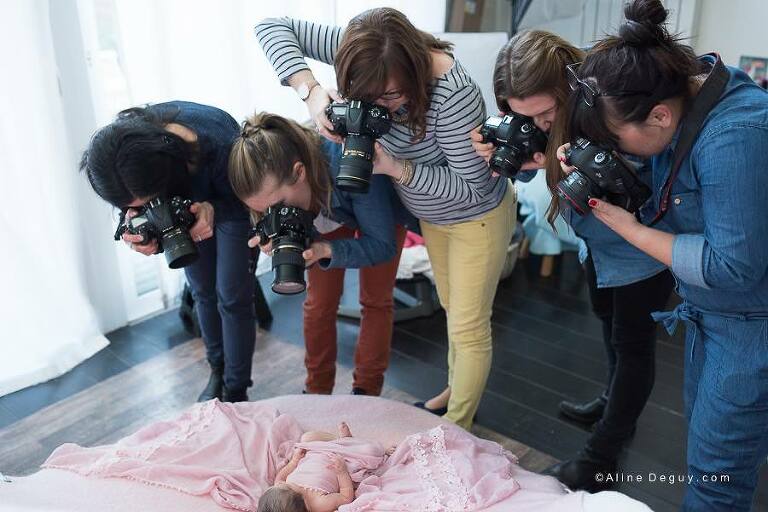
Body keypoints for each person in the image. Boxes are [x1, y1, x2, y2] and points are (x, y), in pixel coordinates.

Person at [255, 7, 515, 430]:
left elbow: (476, 189)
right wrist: (312, 92)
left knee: (468, 326)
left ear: (413, 73)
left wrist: (397, 168)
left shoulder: (454, 96)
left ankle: (457, 429)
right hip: (431, 216)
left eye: (390, 97)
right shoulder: (371, 53)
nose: (381, 109)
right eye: (366, 97)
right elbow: (271, 24)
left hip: (474, 217)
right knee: (453, 309)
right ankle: (456, 389)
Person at [560, 0, 768, 508]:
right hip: (713, 316)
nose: (615, 146)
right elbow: (680, 199)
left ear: (658, 114)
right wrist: (608, 167)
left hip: (750, 321)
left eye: (616, 138)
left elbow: (732, 265)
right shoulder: (691, 98)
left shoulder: (734, 136)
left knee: (715, 479)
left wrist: (626, 228)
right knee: (710, 457)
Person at [471, 30, 673, 491]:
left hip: (641, 247)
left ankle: (600, 457)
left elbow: (639, 179)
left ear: (571, 86)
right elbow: (556, 167)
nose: (540, 123)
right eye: (526, 117)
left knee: (633, 345)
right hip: (596, 240)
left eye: (547, 112)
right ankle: (612, 399)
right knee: (608, 323)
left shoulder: (612, 107)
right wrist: (520, 157)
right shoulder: (543, 122)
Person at [81, 101, 255, 402]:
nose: (137, 206)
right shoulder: (117, 165)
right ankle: (217, 371)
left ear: (162, 173)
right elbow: (133, 210)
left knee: (232, 295)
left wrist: (213, 208)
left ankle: (236, 388)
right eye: (129, 204)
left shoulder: (214, 142)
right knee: (202, 290)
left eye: (145, 200)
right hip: (188, 201)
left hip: (235, 200)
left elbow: (251, 199)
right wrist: (137, 229)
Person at [229, 112, 411, 396]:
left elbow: (381, 245)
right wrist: (272, 234)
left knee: (376, 300)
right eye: (264, 210)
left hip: (374, 203)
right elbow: (274, 207)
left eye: (276, 206)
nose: (273, 214)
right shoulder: (273, 174)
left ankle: (366, 392)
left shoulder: (349, 158)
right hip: (326, 209)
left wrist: (325, 250)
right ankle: (316, 391)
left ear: (300, 172)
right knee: (318, 304)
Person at [257, 421, 390, 512]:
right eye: (283, 486)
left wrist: (294, 461)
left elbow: (279, 477)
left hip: (317, 451)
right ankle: (347, 441)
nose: (279, 483)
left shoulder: (282, 486)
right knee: (371, 452)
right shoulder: (318, 503)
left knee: (307, 437)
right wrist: (342, 472)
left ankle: (341, 440)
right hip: (342, 461)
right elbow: (346, 497)